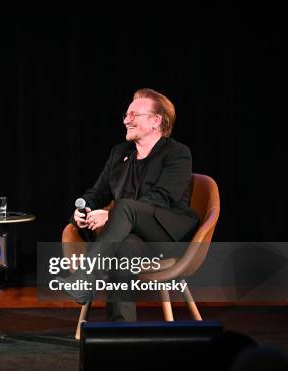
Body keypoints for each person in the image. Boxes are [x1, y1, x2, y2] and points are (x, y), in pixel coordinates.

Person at [62, 88, 199, 321]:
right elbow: (98, 191)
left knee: (125, 207)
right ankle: (121, 331)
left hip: (164, 235)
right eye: (126, 115)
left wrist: (112, 215)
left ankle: (86, 278)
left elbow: (163, 198)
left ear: (156, 121)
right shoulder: (120, 153)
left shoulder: (177, 153)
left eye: (134, 115)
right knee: (123, 249)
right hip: (127, 236)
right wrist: (83, 207)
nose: (127, 120)